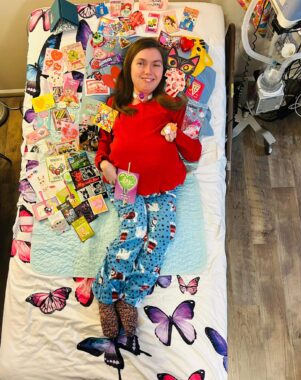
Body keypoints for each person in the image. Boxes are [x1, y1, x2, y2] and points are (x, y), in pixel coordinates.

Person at [93, 37, 202, 339]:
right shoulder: (114, 104)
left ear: (165, 71)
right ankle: (104, 294)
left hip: (163, 185)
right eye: (141, 63)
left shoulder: (174, 105)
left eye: (156, 64)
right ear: (129, 67)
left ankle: (130, 297)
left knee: (161, 237)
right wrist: (103, 163)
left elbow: (194, 153)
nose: (148, 71)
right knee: (134, 230)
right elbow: (100, 143)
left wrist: (175, 134)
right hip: (126, 180)